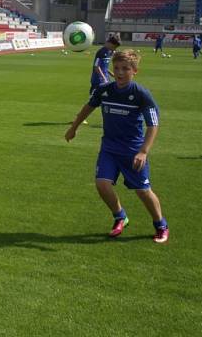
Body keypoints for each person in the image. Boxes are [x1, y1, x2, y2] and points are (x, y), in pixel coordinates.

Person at [65, 50, 169, 244]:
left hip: (132, 151)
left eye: (125, 69)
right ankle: (120, 216)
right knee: (102, 184)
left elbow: (153, 124)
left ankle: (161, 225)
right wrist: (74, 128)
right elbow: (88, 107)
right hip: (109, 149)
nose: (120, 72)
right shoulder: (105, 90)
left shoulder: (141, 94)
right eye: (117, 68)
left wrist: (143, 151)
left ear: (135, 71)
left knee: (143, 191)